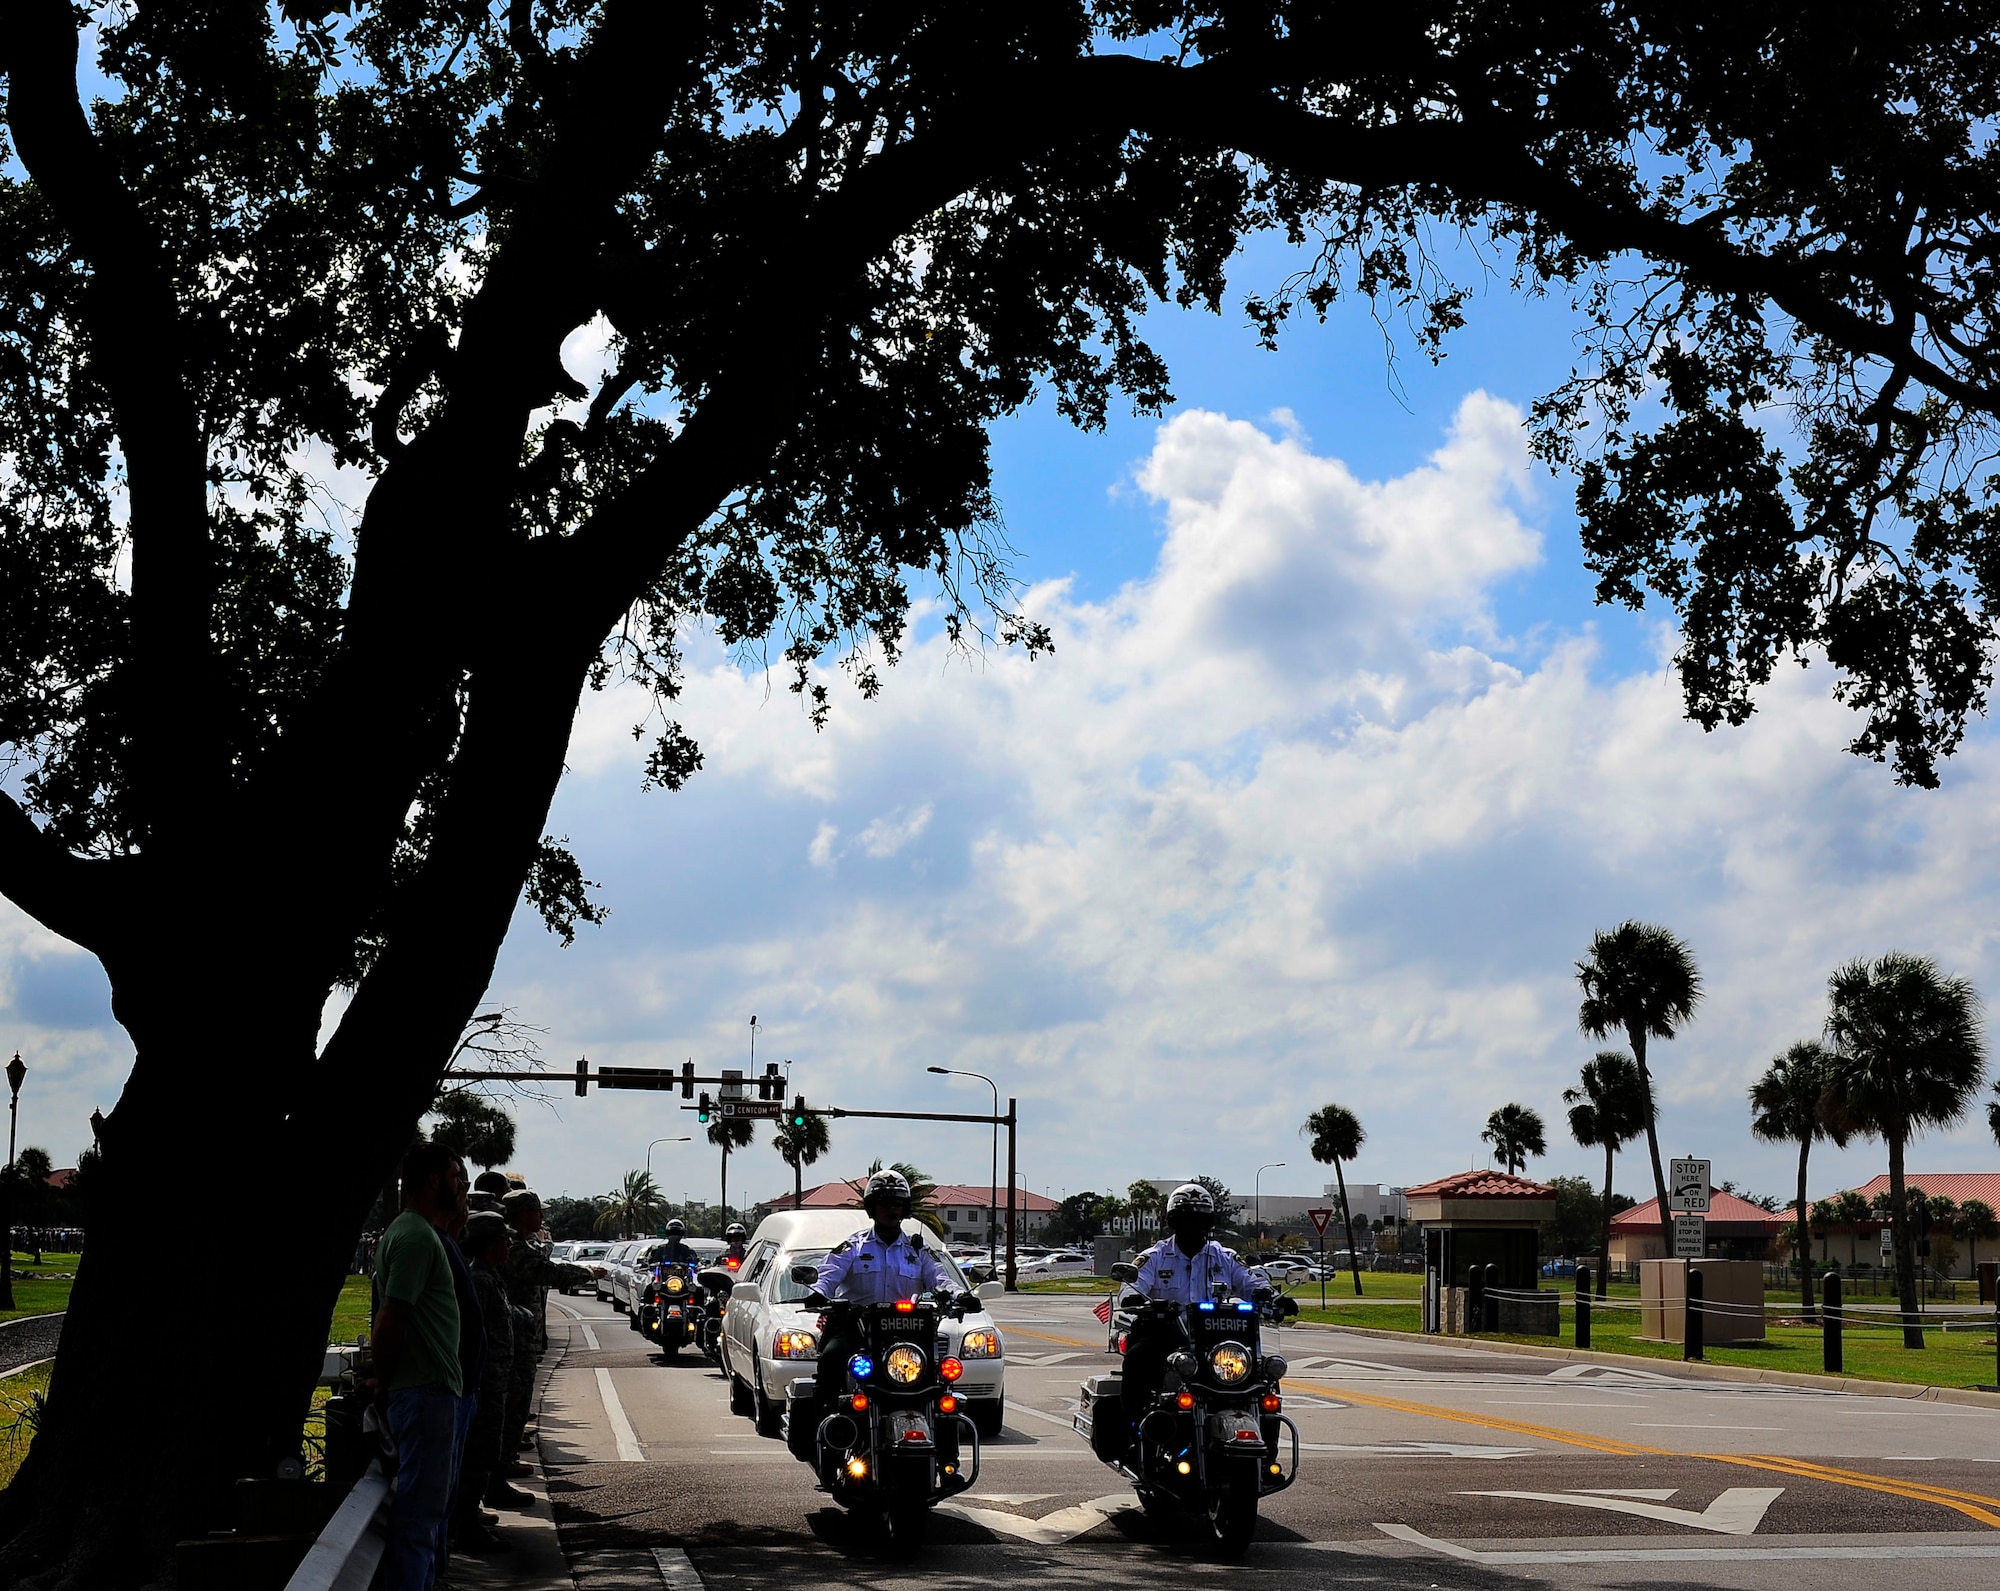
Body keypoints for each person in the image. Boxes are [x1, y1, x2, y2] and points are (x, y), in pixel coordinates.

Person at [370, 1140, 465, 1591]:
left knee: (425, 1514)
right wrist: (381, 1380)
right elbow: (391, 1319)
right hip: (424, 1390)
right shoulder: (413, 1236)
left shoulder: (421, 1232)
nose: (461, 1186)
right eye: (454, 1177)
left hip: (429, 1389)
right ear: (432, 1180)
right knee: (418, 1518)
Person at [1115, 1182, 1269, 1444]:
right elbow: (1132, 1285)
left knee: (1266, 1378)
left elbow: (1250, 1280)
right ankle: (1133, 1433)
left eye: (1200, 1219)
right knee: (1137, 1359)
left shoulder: (1224, 1256)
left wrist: (1267, 1295)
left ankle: (1267, 1452)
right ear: (1173, 1221)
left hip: (1218, 1342)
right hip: (1168, 1338)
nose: (1193, 1226)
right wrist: (1134, 1297)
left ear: (1209, 1223)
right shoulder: (1156, 1256)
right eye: (1186, 1218)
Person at [811, 1171, 958, 1417]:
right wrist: (817, 1293)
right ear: (872, 1207)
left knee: (942, 1378)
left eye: (897, 1202)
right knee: (831, 1358)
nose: (892, 1208)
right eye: (885, 1202)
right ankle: (829, 1430)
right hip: (856, 1328)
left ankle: (946, 1450)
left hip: (910, 1333)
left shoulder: (918, 1249)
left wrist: (958, 1296)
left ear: (905, 1208)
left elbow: (940, 1278)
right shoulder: (854, 1245)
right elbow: (828, 1274)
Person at [496, 1188, 591, 1482]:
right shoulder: (515, 1245)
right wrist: (586, 1273)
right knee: (513, 1400)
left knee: (519, 1400)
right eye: (538, 1212)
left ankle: (505, 1460)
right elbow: (547, 1271)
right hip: (512, 1337)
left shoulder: (522, 1242)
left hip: (523, 1335)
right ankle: (501, 1467)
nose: (542, 1218)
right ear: (525, 1214)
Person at [452, 1211, 516, 1555]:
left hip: (494, 1381)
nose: (509, 1246)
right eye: (504, 1240)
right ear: (491, 1245)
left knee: (485, 1451)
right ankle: (466, 1525)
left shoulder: (491, 1277)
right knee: (477, 1454)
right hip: (483, 1383)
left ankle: (468, 1515)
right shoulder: (479, 1280)